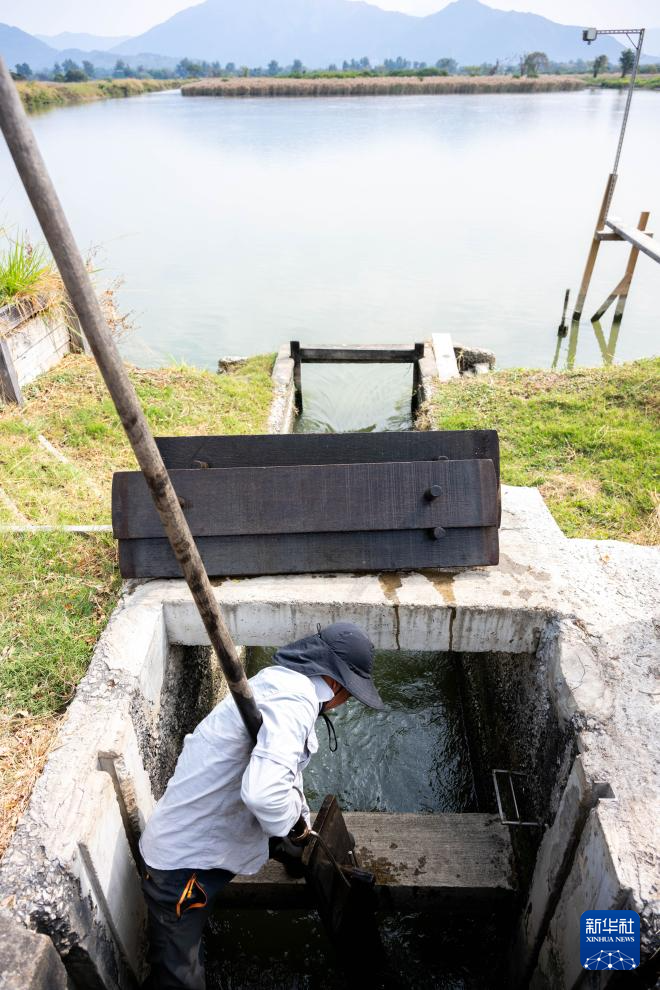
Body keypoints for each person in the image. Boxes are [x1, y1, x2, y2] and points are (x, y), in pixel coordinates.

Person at [139, 621, 385, 990]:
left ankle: (291, 851)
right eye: (351, 692)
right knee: (181, 977)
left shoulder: (281, 680)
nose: (346, 702)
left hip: (210, 822)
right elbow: (264, 793)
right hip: (182, 866)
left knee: (287, 828)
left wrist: (300, 825)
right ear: (336, 683)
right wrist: (292, 822)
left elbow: (282, 772)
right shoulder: (296, 702)